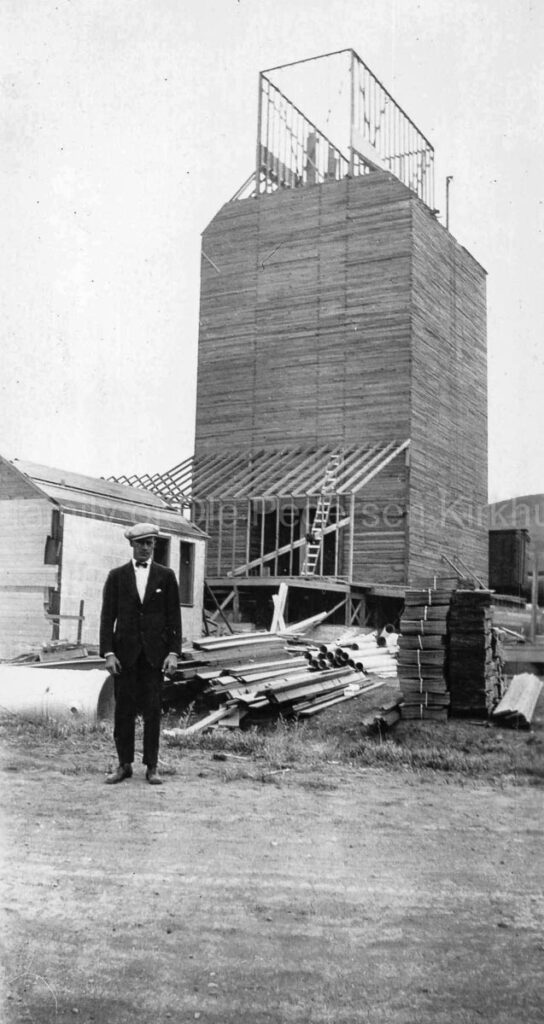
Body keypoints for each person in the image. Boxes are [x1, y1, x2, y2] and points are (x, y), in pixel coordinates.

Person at [100, 522, 182, 786]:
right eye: (140, 543)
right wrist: (109, 653)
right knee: (123, 711)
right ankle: (124, 765)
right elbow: (106, 617)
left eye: (149, 543)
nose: (145, 548)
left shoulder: (166, 576)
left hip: (154, 657)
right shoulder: (116, 576)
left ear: (155, 545)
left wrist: (173, 653)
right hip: (125, 657)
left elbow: (174, 618)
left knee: (152, 712)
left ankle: (152, 766)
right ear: (131, 546)